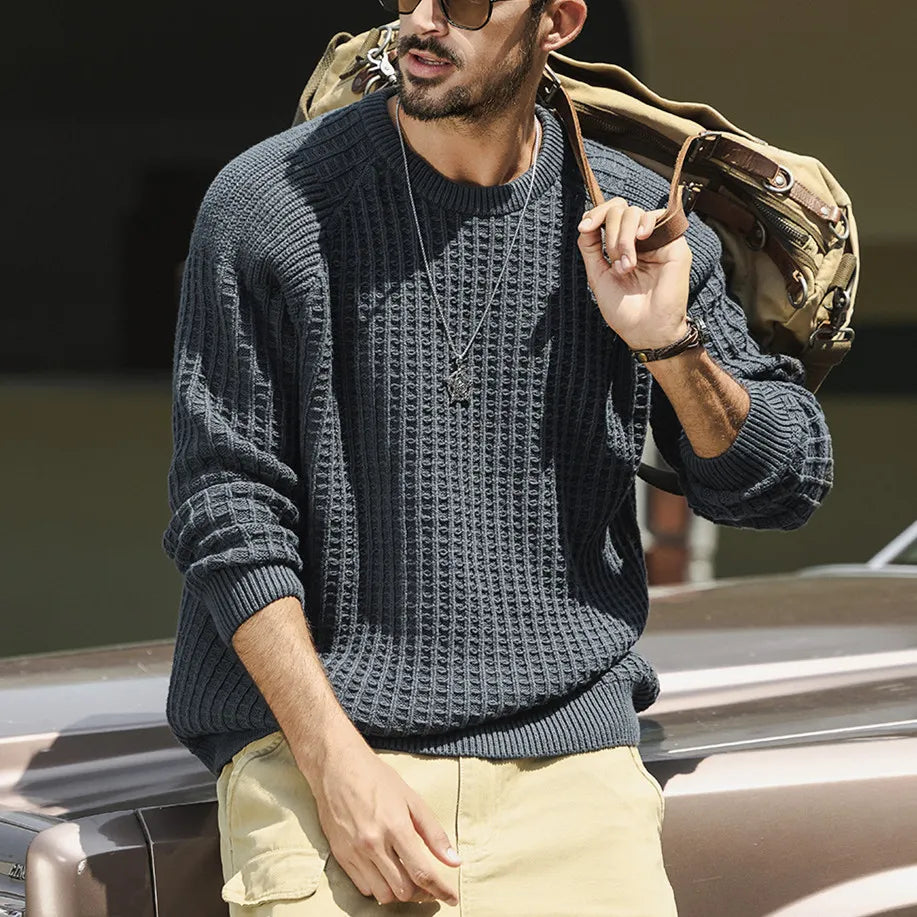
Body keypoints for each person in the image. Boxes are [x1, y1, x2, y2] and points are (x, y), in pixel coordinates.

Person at [162, 0, 834, 913]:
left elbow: (785, 482)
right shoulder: (268, 204)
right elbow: (226, 510)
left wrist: (666, 343)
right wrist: (332, 763)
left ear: (557, 21)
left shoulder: (633, 220)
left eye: (467, 4)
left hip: (572, 769)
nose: (422, 21)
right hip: (323, 762)